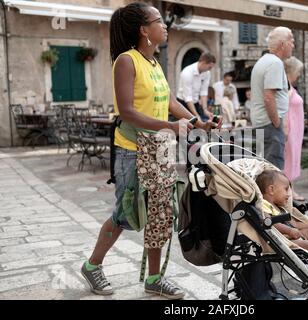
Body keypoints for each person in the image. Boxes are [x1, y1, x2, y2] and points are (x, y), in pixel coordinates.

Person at [81, 3, 218, 299]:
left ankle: (154, 278)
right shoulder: (126, 61)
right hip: (131, 149)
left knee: (160, 213)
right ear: (144, 30)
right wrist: (171, 126)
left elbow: (170, 102)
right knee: (126, 214)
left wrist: (199, 123)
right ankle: (92, 265)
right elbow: (128, 112)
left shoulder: (154, 63)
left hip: (160, 148)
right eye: (159, 21)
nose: (165, 26)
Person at [250, 26, 295, 170]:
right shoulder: (275, 63)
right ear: (283, 44)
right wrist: (277, 123)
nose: (293, 45)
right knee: (273, 170)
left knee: (265, 168)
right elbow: (269, 97)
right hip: (270, 124)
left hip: (263, 122)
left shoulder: (264, 61)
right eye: (291, 41)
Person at [283, 57, 305, 201]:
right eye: (298, 71)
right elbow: (283, 108)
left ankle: (291, 189)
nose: (299, 74)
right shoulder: (285, 87)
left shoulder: (289, 86)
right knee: (288, 158)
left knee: (293, 157)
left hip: (297, 129)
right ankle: (288, 190)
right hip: (290, 129)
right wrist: (285, 130)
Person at [177, 52, 216, 122]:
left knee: (198, 127)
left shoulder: (207, 73)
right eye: (209, 67)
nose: (210, 69)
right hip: (183, 102)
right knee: (184, 128)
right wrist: (196, 115)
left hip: (195, 102)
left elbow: (203, 92)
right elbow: (188, 97)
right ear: (203, 63)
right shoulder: (187, 72)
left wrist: (205, 110)